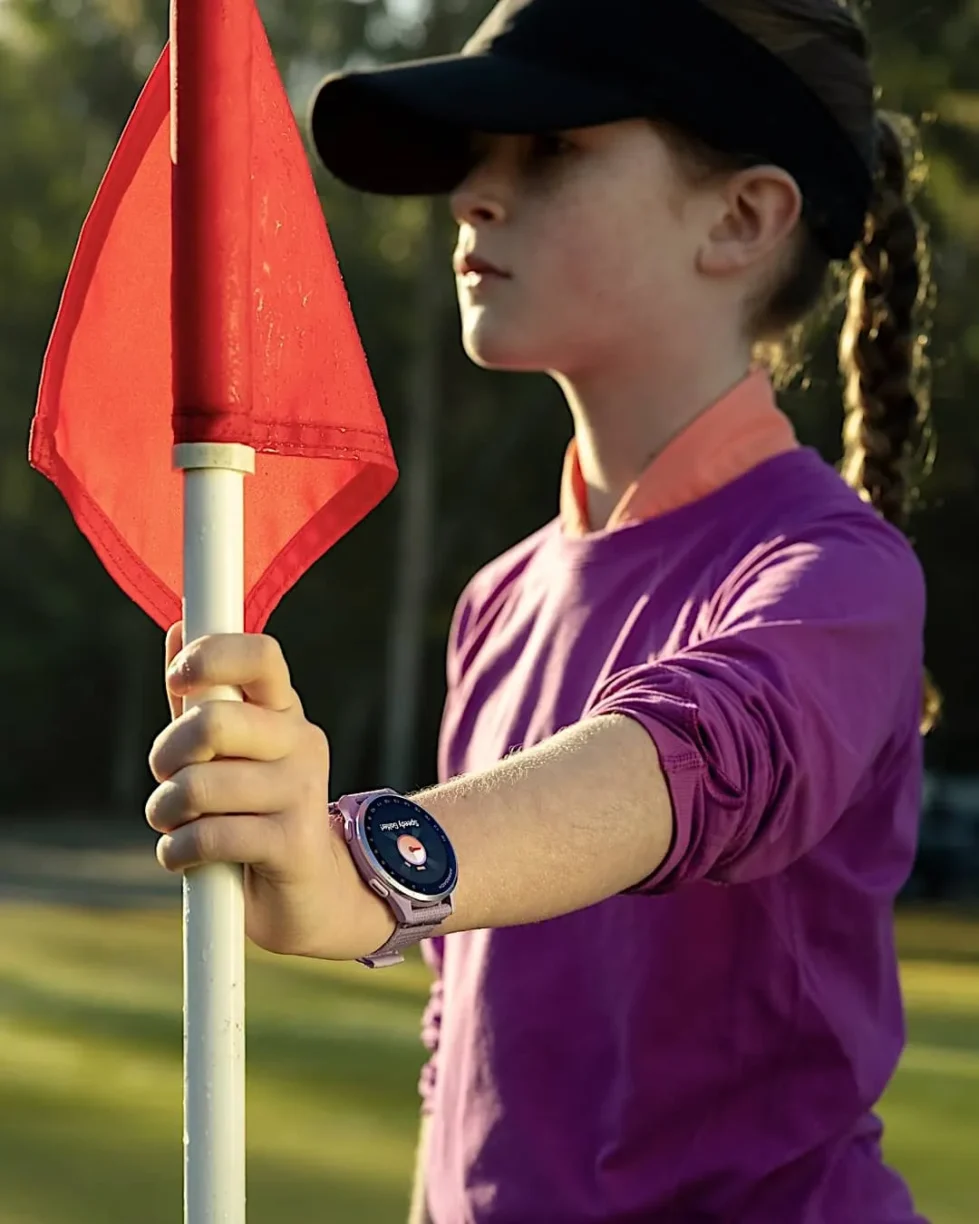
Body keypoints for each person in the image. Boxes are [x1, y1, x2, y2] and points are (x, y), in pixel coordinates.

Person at [145, 0, 939, 1219]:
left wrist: (368, 863)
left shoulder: (839, 574)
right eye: (478, 153)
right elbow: (466, 1049)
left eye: (551, 148)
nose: (472, 195)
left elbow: (703, 754)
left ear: (741, 218)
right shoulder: (499, 600)